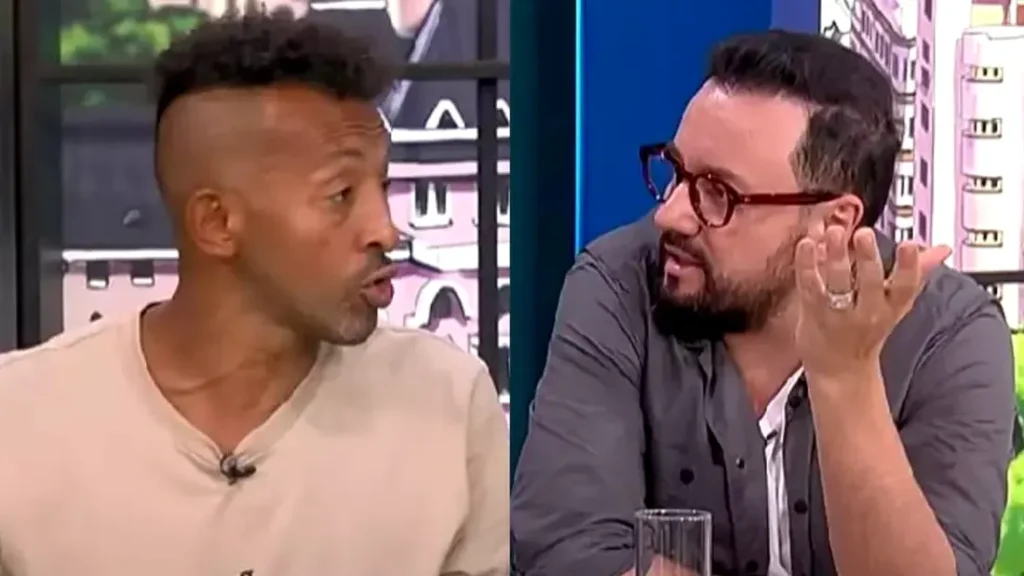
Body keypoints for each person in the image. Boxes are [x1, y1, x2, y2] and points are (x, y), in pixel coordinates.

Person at [0, 12, 508, 576]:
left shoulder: (446, 403)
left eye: (383, 186)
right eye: (341, 194)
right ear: (217, 223)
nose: (385, 230)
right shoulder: (19, 421)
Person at [511, 30, 1017, 576]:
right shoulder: (618, 284)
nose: (670, 215)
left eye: (718, 193)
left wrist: (845, 378)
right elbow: (565, 547)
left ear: (834, 223)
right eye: (676, 172)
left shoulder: (949, 335)